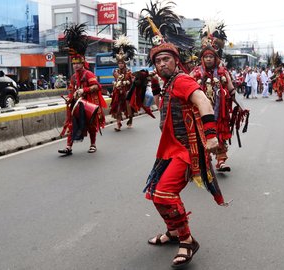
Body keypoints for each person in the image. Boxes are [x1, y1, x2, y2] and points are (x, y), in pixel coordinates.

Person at [139, 6, 228, 268]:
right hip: (168, 150)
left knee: (165, 192)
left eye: (166, 59)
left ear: (176, 61)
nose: (162, 63)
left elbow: (203, 101)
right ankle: (174, 230)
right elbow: (161, 109)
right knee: (155, 193)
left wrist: (212, 136)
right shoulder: (167, 84)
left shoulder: (182, 80)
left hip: (186, 151)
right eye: (157, 60)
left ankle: (187, 240)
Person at [190, 20, 236, 172]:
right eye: (206, 57)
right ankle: (205, 160)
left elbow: (231, 88)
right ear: (202, 58)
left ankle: (221, 161)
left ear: (215, 58)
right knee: (202, 136)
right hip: (200, 111)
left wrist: (238, 104)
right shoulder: (196, 72)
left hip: (220, 111)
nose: (208, 59)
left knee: (220, 135)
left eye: (211, 56)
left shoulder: (223, 72)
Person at [59, 23, 107, 155]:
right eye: (74, 63)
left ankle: (93, 144)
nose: (75, 65)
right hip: (76, 104)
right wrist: (71, 98)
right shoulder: (74, 77)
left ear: (83, 62)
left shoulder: (88, 74)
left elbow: (97, 86)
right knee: (72, 124)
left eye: (78, 63)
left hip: (88, 103)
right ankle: (69, 147)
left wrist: (83, 91)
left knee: (91, 124)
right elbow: (71, 89)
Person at [109, 36, 136, 131]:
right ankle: (118, 124)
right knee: (117, 107)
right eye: (119, 63)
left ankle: (130, 120)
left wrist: (127, 81)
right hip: (117, 92)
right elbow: (116, 77)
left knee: (129, 107)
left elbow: (132, 79)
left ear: (124, 63)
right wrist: (118, 82)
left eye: (122, 63)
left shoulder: (129, 71)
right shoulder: (115, 71)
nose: (120, 64)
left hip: (126, 92)